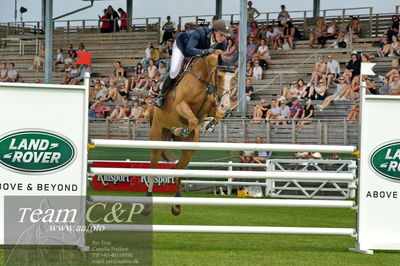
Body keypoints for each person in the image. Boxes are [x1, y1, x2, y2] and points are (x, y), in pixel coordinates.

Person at [153, 19, 231, 108]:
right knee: (174, 72)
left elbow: (218, 62)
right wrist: (203, 52)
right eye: (221, 35)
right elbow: (189, 49)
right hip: (182, 47)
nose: (223, 38)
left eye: (225, 36)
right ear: (214, 31)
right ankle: (161, 96)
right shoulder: (200, 32)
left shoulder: (223, 43)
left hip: (199, 53)